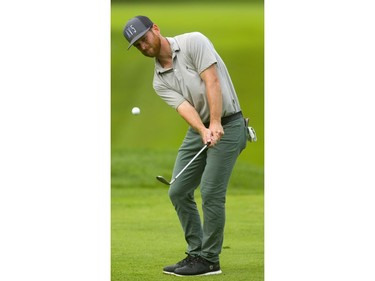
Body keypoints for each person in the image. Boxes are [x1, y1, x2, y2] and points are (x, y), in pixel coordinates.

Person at [123, 15, 248, 276]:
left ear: (155, 29)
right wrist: (203, 130)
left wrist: (215, 122)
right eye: (137, 46)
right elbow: (184, 107)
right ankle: (196, 253)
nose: (144, 47)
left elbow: (211, 81)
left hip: (229, 123)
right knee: (177, 190)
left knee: (212, 192)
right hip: (200, 128)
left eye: (144, 39)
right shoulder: (159, 80)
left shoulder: (194, 42)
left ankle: (210, 260)